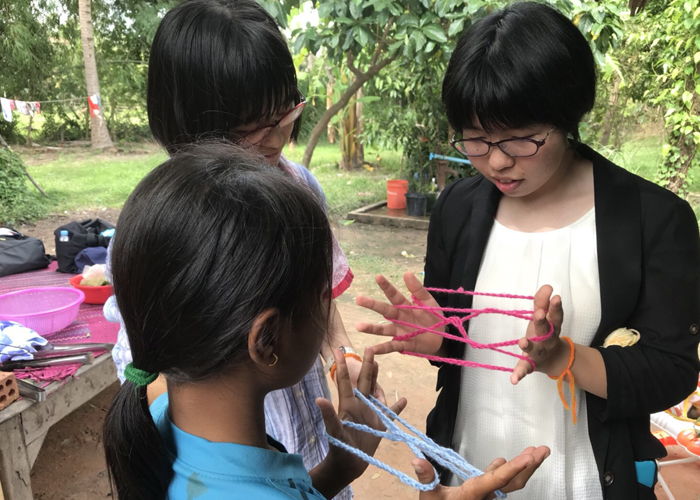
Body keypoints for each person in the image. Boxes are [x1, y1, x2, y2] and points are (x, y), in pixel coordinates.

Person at [356, 3, 700, 500]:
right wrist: (441, 341)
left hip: (588, 481)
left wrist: (563, 356)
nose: (496, 160)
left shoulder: (653, 220)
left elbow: (671, 371)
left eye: (520, 139)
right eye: (475, 139)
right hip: (468, 475)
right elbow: (463, 350)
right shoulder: (458, 208)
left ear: (567, 116)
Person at [102, 142, 550, 500]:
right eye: (322, 296)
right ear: (266, 341)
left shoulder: (165, 418)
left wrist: (337, 470)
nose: (330, 312)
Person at [102, 2, 363, 496]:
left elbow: (318, 295)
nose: (277, 138)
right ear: (187, 123)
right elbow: (149, 367)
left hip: (305, 441)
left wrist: (339, 353)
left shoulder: (299, 186)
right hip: (233, 457)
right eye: (252, 126)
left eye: (285, 113)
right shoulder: (163, 227)